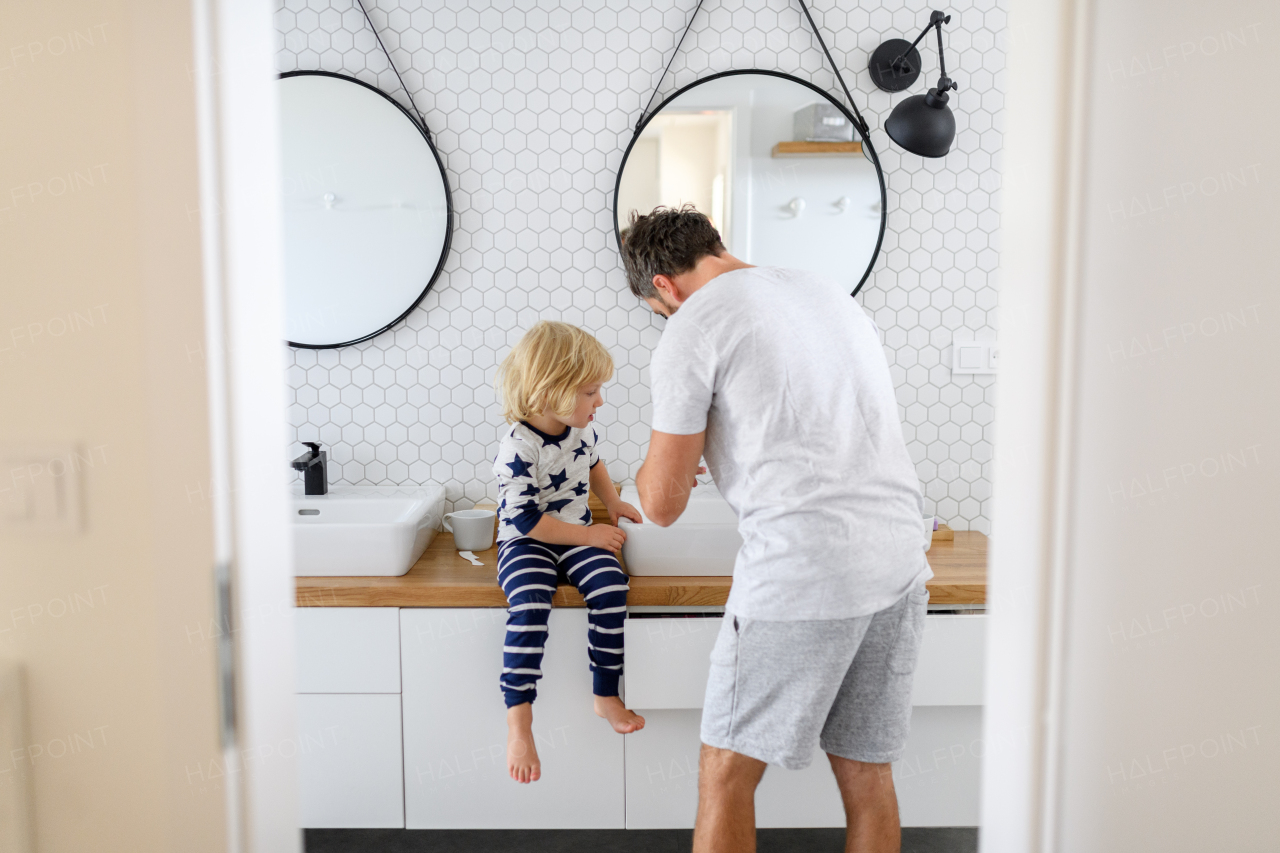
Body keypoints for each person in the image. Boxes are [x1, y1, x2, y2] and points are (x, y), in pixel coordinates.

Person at [622, 206, 932, 853]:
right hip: (899, 554)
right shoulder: (826, 294)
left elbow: (663, 503)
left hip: (807, 568)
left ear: (663, 287)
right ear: (717, 247)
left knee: (727, 771)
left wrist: (660, 459)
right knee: (867, 769)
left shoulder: (695, 323)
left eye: (662, 313)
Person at [492, 320, 646, 784]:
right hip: (528, 542)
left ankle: (605, 694)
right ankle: (520, 721)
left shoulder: (579, 430)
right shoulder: (518, 447)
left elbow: (594, 465)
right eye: (590, 392)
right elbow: (524, 521)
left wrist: (613, 502)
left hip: (578, 534)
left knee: (610, 586)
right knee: (530, 603)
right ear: (547, 393)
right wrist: (590, 536)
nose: (599, 401)